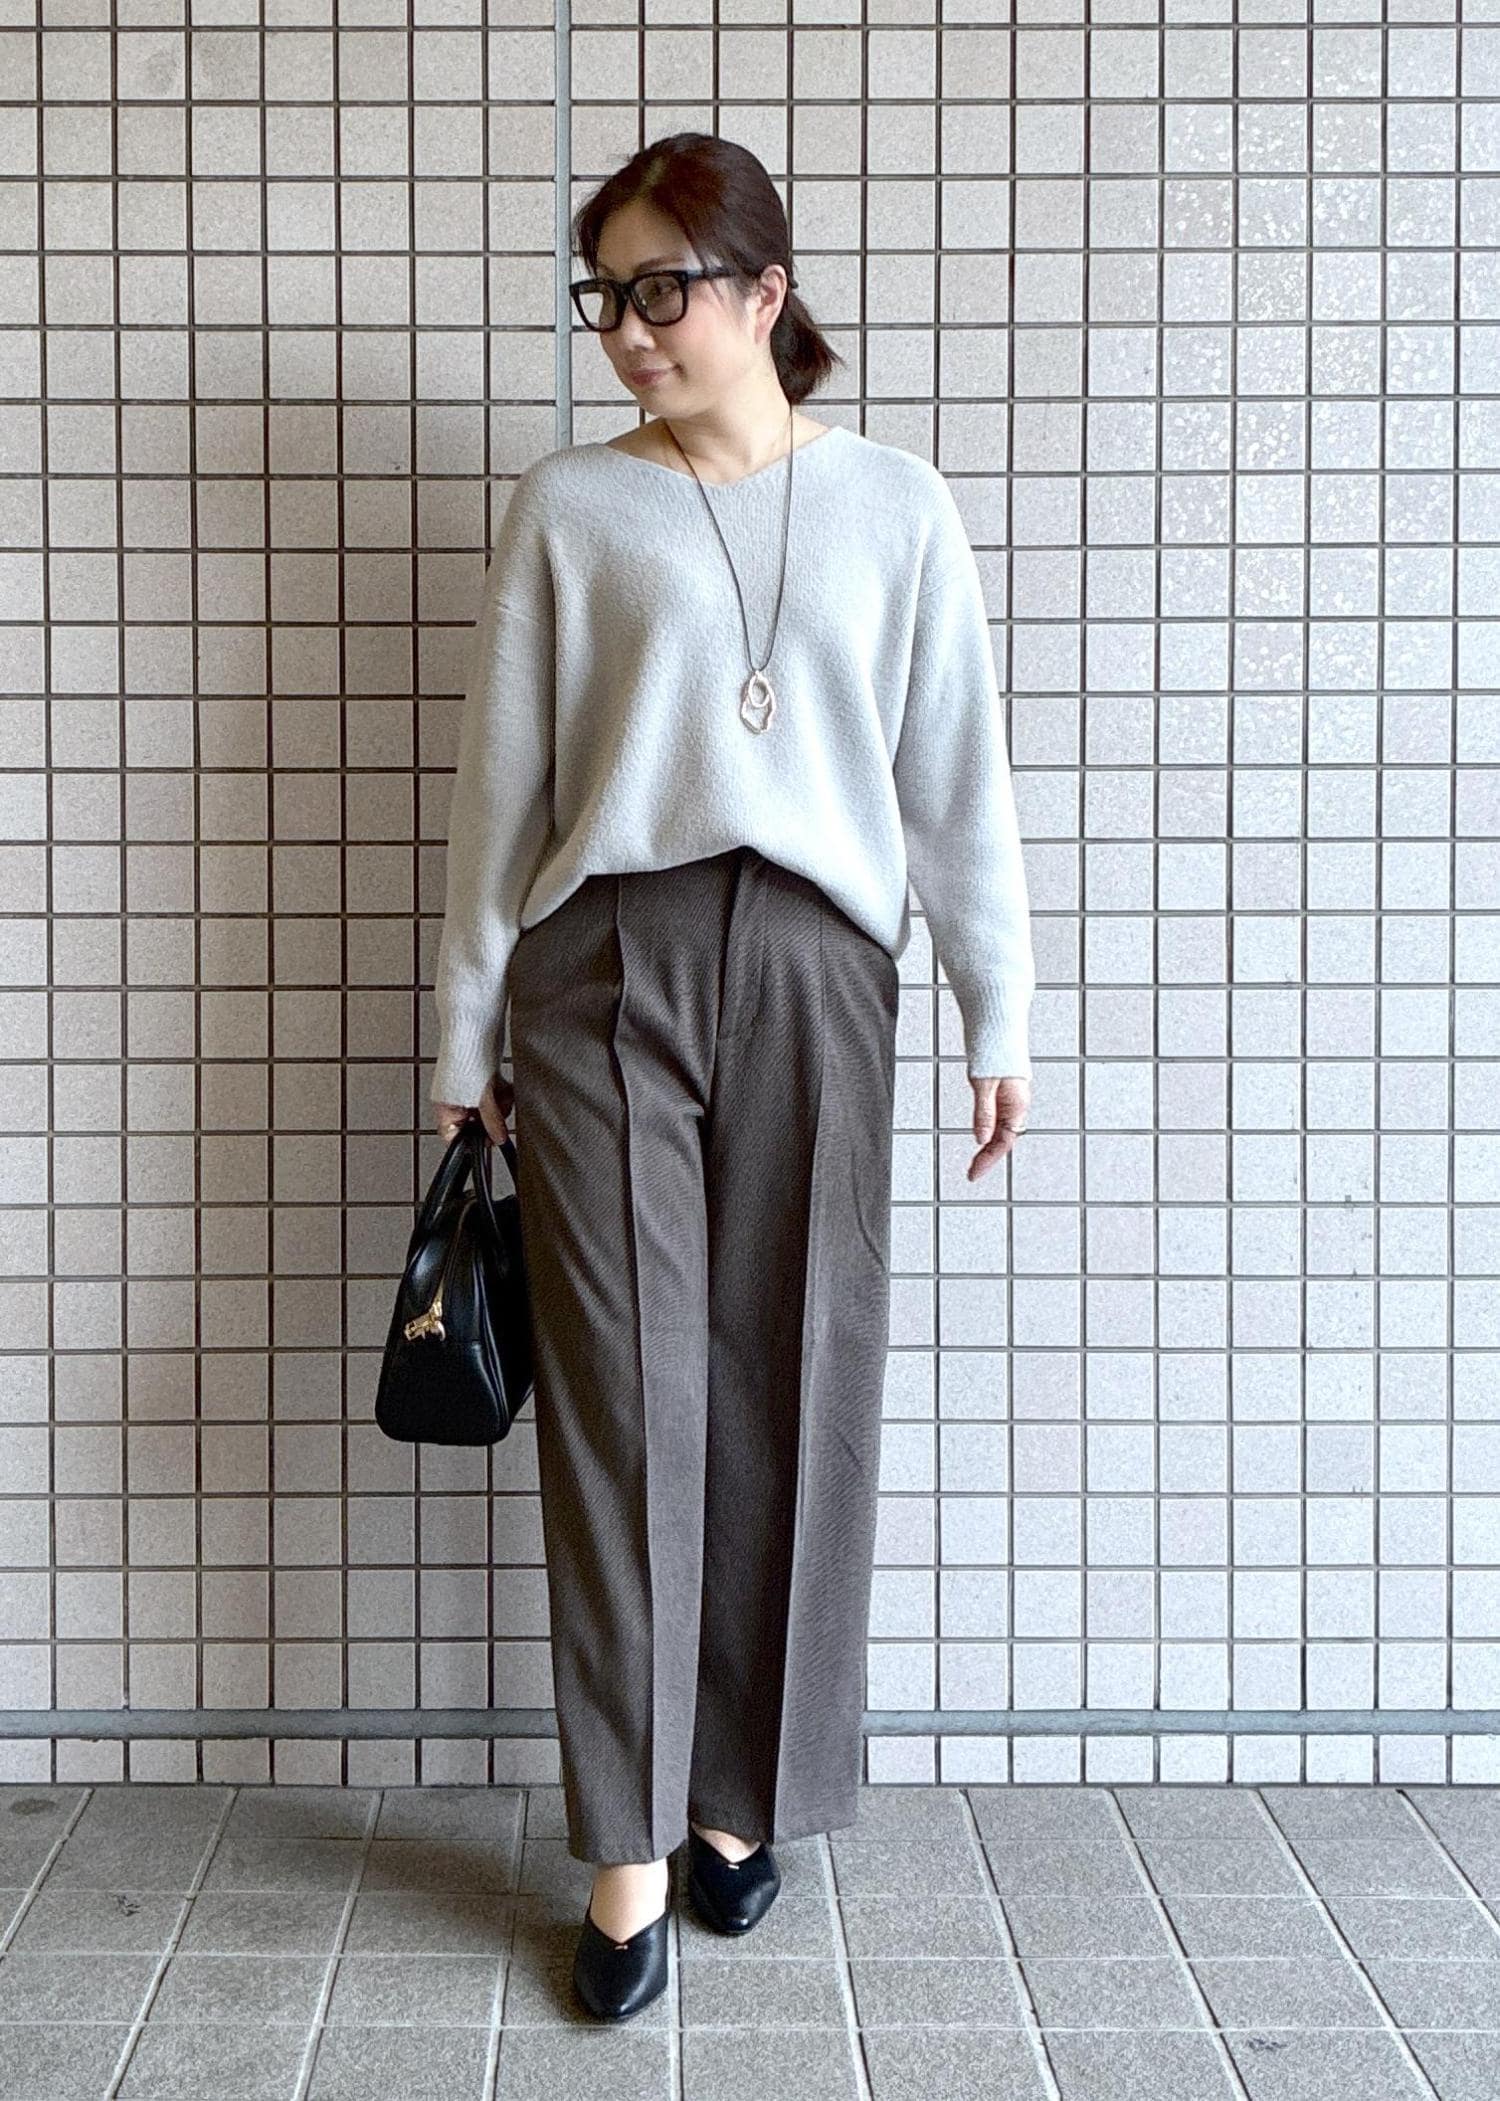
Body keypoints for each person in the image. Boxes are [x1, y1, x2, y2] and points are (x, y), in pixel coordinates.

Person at [428, 131, 1035, 2021]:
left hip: (820, 970)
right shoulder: (571, 508)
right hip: (603, 967)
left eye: (661, 289)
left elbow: (955, 778)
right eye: (604, 295)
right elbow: (504, 789)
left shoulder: (895, 506)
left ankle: (733, 1802)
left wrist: (997, 1010)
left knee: (794, 1376)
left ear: (765, 292)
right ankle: (625, 1852)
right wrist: (464, 1031)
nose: (627, 330)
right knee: (624, 1405)